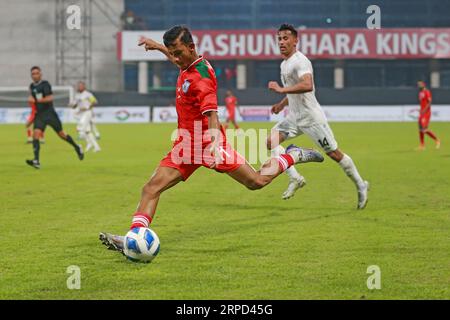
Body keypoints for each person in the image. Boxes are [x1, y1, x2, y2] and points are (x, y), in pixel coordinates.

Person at [99, 25, 324, 253]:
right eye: (172, 53)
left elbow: (212, 114)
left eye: (178, 53)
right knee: (150, 188)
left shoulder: (201, 79)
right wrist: (158, 47)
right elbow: (176, 57)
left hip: (209, 145)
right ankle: (133, 238)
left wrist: (216, 144)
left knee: (256, 182)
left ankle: (292, 155)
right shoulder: (187, 63)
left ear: (191, 47)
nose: (175, 59)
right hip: (186, 146)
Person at [267, 24, 369, 208]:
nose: (281, 42)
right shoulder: (284, 63)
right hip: (294, 117)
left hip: (311, 118)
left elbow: (307, 85)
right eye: (279, 38)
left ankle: (361, 185)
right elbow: (294, 92)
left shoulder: (300, 61)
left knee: (335, 154)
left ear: (295, 40)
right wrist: (281, 104)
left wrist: (281, 89)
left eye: (286, 38)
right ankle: (296, 178)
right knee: (271, 141)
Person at [26, 66, 84, 169]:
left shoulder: (45, 84)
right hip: (39, 115)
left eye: (36, 73)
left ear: (40, 74)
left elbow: (50, 98)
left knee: (61, 134)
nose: (35, 75)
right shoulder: (31, 86)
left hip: (50, 114)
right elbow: (33, 100)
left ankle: (77, 147)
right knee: (35, 135)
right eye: (33, 74)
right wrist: (31, 115)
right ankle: (36, 160)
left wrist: (36, 101)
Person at [70, 81, 101, 152]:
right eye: (78, 86)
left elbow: (94, 101)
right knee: (87, 131)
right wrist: (72, 105)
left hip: (87, 112)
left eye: (81, 86)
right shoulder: (77, 95)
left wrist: (88, 107)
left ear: (84, 87)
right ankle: (96, 147)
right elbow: (75, 105)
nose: (79, 87)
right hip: (81, 113)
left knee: (80, 128)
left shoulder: (88, 94)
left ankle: (89, 143)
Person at [416, 81, 440, 150]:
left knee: (424, 129)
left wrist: (424, 110)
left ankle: (437, 140)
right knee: (420, 129)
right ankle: (422, 145)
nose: (419, 86)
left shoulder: (427, 92)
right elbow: (422, 103)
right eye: (418, 85)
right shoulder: (420, 93)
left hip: (426, 113)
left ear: (423, 85)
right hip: (422, 113)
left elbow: (429, 102)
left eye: (420, 85)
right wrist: (421, 110)